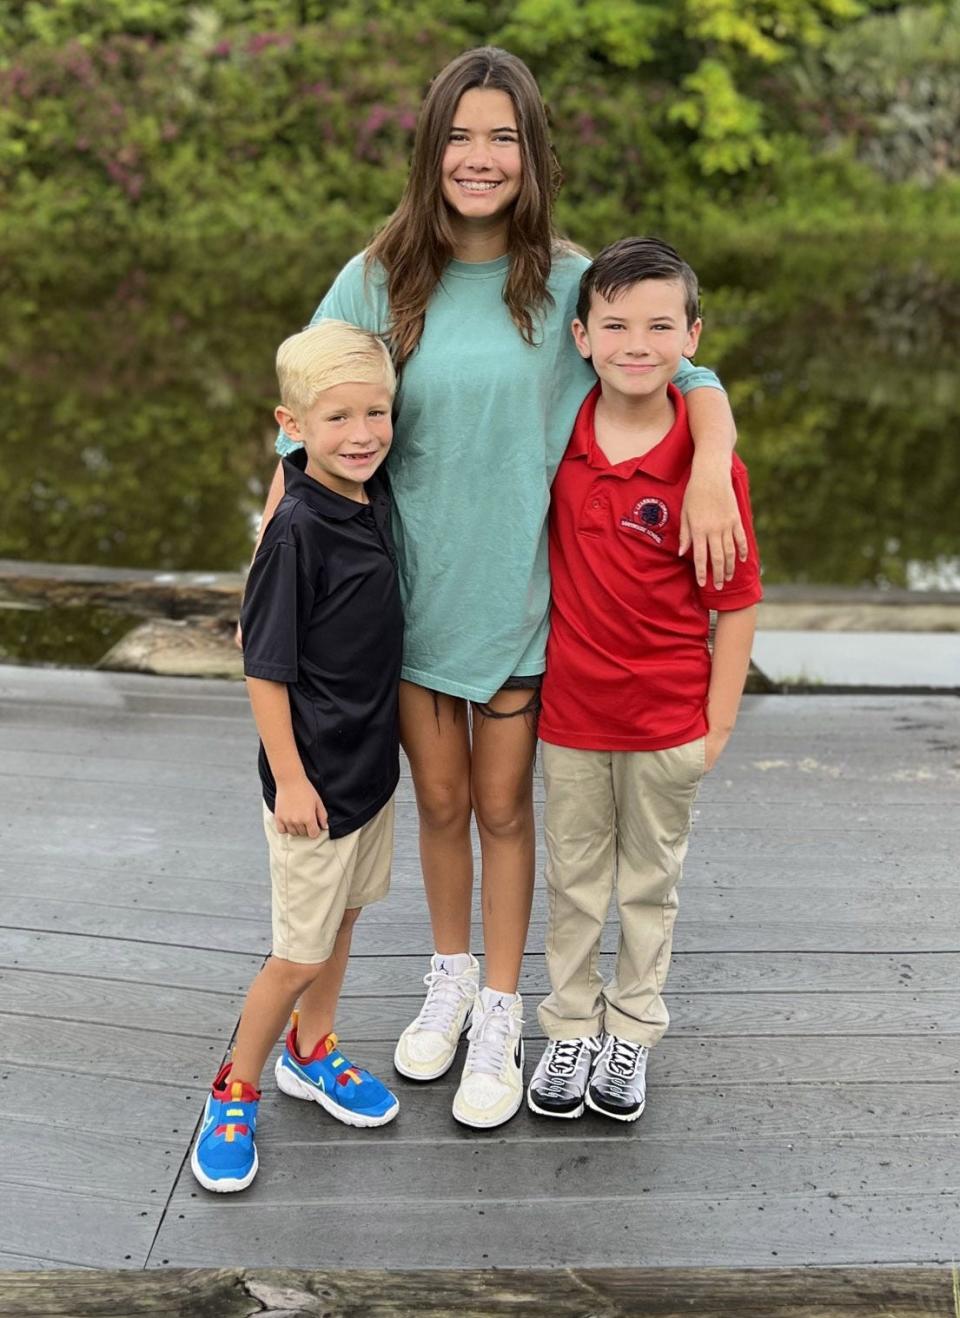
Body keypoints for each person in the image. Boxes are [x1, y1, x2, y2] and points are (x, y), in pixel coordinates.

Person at [247, 47, 747, 1130]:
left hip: (524, 601)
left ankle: (506, 1011)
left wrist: (709, 465)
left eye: (503, 138)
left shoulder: (570, 281)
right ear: (432, 149)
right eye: (461, 136)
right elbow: (310, 395)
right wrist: (280, 536)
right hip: (410, 604)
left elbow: (685, 371)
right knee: (435, 802)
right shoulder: (377, 276)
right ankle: (451, 976)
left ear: (532, 154)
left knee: (506, 806)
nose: (480, 158)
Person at [526, 237, 762, 1123]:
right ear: (580, 335)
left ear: (691, 335)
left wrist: (720, 724)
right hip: (573, 717)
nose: (636, 342)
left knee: (648, 884)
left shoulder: (711, 470)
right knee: (575, 879)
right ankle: (571, 1027)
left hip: (669, 722)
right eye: (615, 323)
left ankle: (631, 1029)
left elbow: (735, 602)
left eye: (660, 325)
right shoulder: (560, 443)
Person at [192, 320, 402, 1193]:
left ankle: (311, 1050)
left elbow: (339, 447)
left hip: (369, 772)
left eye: (377, 412)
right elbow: (263, 665)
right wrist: (291, 777)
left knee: (342, 924)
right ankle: (234, 1085)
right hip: (309, 783)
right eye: (338, 417)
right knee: (297, 951)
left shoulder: (367, 488)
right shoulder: (296, 533)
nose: (362, 434)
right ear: (292, 424)